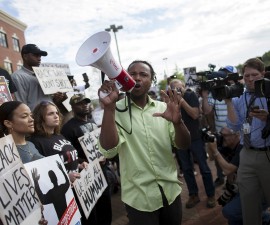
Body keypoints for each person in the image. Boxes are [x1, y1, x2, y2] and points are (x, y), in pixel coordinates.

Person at [98, 60, 191, 225]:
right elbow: (109, 150)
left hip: (171, 192)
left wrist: (178, 122)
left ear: (152, 80)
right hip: (139, 199)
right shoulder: (114, 109)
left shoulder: (164, 107)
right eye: (132, 74)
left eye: (143, 74)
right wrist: (109, 109)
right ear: (124, 79)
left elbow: (183, 145)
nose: (137, 78)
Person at [225, 58, 270, 225]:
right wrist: (228, 101)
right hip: (246, 154)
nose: (250, 79)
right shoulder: (239, 98)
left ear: (263, 74)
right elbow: (234, 125)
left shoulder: (268, 93)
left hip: (267, 154)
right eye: (247, 75)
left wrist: (268, 119)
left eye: (255, 75)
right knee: (248, 204)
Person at [61, 93, 112, 225]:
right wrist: (81, 162)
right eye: (80, 103)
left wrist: (103, 154)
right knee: (92, 212)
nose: (85, 105)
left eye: (86, 102)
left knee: (105, 206)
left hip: (101, 170)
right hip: (86, 175)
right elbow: (68, 154)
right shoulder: (67, 129)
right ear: (72, 107)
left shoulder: (92, 122)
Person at [170, 79, 215, 209]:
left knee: (204, 167)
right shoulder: (171, 99)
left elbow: (195, 114)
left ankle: (211, 195)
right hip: (180, 140)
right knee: (187, 169)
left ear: (184, 87)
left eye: (180, 88)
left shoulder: (190, 95)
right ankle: (193, 195)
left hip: (195, 138)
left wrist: (182, 101)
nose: (178, 91)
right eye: (175, 89)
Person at [0, 101, 47, 225]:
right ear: (8, 123)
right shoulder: (5, 155)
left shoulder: (31, 145)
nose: (31, 119)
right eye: (24, 116)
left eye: (31, 115)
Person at [201, 65, 237, 187]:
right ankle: (222, 178)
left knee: (235, 161)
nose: (223, 78)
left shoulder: (237, 90)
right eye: (222, 74)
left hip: (236, 134)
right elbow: (206, 111)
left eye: (226, 75)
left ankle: (232, 184)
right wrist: (205, 96)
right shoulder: (214, 92)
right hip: (221, 133)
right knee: (219, 157)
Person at [11, 44, 66, 111]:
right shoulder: (17, 77)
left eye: (40, 56)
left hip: (50, 116)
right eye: (35, 55)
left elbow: (48, 100)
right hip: (35, 119)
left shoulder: (45, 75)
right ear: (25, 56)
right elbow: (21, 105)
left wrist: (56, 98)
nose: (39, 58)